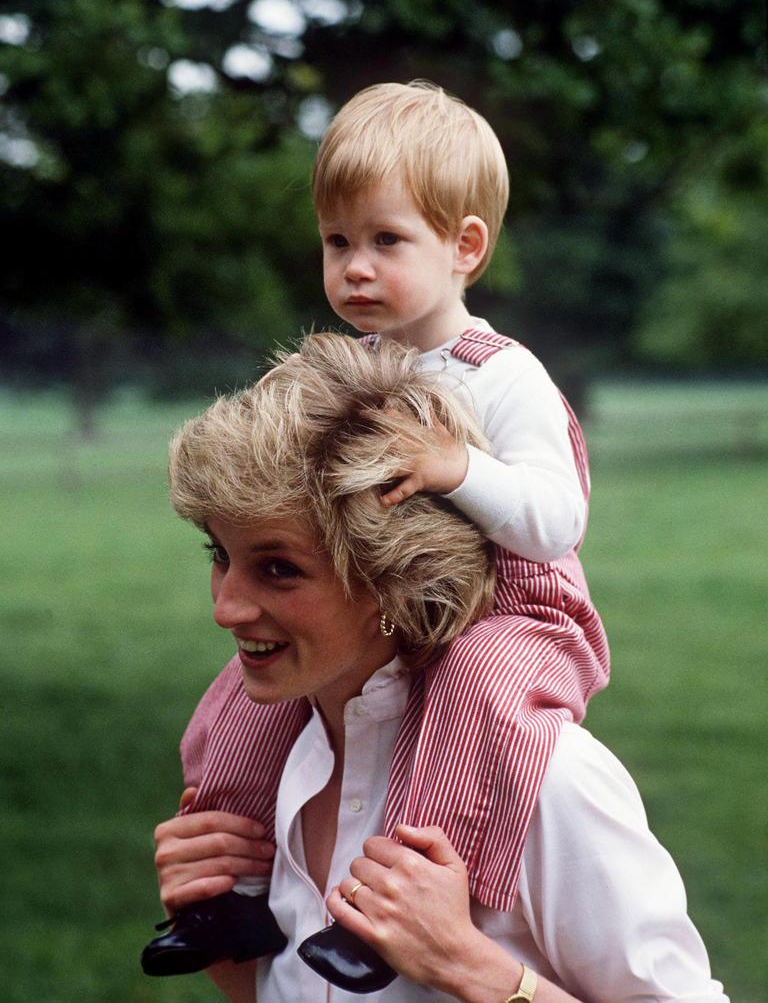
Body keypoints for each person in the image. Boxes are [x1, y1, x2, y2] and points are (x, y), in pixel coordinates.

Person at [141, 80, 612, 986]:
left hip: (516, 613)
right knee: (233, 708)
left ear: (464, 246)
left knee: (475, 688)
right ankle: (227, 899)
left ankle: (391, 902)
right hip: (394, 604)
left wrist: (456, 469)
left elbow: (557, 523)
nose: (354, 267)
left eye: (385, 241)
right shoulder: (357, 362)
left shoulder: (499, 372)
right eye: (337, 242)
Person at [151, 333, 728, 1002]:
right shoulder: (275, 763)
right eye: (219, 553)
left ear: (394, 579)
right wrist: (220, 927)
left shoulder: (544, 780)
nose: (227, 607)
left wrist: (471, 967)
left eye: (279, 569)